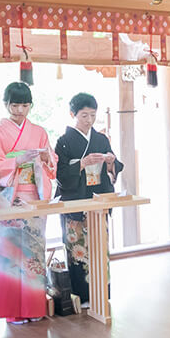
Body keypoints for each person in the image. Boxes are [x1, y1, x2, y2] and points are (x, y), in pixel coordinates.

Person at [0, 81, 56, 324]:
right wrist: (17, 161)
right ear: (6, 105)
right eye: (15, 105)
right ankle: (14, 310)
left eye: (25, 105)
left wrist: (45, 158)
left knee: (34, 252)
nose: (20, 111)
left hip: (33, 195)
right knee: (11, 253)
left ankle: (35, 308)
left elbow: (51, 162)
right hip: (10, 198)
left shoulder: (39, 131)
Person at [54, 92, 123, 307]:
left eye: (92, 115)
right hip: (76, 201)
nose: (89, 120)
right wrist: (82, 164)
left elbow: (114, 168)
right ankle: (82, 296)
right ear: (73, 114)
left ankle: (102, 291)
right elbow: (60, 174)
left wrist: (111, 162)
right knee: (78, 251)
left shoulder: (101, 138)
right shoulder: (63, 141)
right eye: (84, 115)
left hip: (98, 199)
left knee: (100, 248)